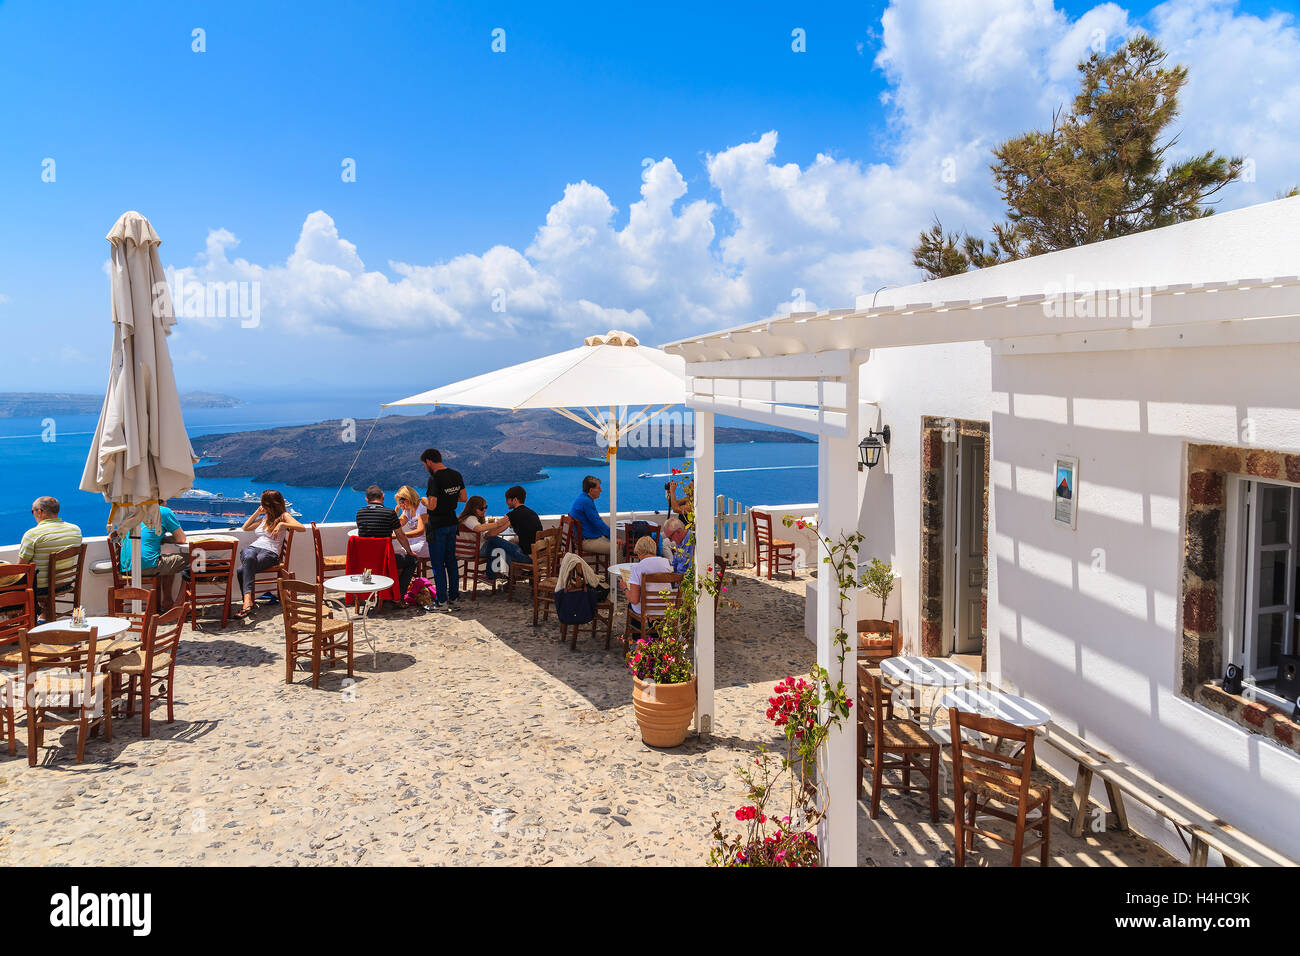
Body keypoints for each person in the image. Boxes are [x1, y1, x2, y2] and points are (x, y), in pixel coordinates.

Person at [232, 490, 304, 619]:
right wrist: (257, 512)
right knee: (248, 556)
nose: (261, 505)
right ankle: (248, 601)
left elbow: (301, 528)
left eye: (263, 503)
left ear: (270, 504)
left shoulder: (283, 516)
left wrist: (281, 523)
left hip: (270, 553)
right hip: (253, 548)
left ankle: (247, 601)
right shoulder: (264, 517)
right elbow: (245, 527)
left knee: (241, 570)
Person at [117, 503, 189, 612]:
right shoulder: (164, 511)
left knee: (169, 562)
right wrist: (166, 539)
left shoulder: (134, 511)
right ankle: (179, 604)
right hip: (146, 566)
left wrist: (161, 539)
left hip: (126, 567)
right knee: (192, 558)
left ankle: (167, 601)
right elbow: (181, 539)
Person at [421, 448, 467, 610]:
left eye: (424, 464)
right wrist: (449, 498)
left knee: (438, 564)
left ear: (428, 461)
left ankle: (441, 601)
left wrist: (424, 500)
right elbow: (463, 497)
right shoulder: (456, 474)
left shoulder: (434, 479)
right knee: (451, 562)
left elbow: (432, 506)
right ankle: (454, 598)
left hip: (438, 525)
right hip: (452, 523)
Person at [15, 496, 82, 597]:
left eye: (32, 511)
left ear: (39, 512)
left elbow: (21, 567)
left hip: (41, 588)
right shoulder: (75, 530)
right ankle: (45, 612)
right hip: (66, 583)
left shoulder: (32, 535)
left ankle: (22, 612)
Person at [355, 486, 416, 596]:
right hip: (385, 560)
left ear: (366, 499)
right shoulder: (389, 513)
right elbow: (400, 536)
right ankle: (398, 596)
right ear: (383, 497)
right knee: (412, 560)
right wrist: (410, 552)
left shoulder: (360, 513)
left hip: (366, 561)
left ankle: (373, 592)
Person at [477, 486, 542, 579]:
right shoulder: (531, 512)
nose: (506, 502)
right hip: (538, 555)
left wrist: (486, 535)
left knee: (492, 540)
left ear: (514, 500)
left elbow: (494, 532)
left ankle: (490, 575)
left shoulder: (514, 514)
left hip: (527, 557)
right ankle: (511, 578)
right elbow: (508, 525)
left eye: (507, 499)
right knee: (504, 550)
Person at [625, 535, 673, 616]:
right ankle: (654, 627)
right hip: (666, 607)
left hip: (646, 609)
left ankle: (638, 628)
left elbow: (634, 599)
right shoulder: (666, 563)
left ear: (639, 551)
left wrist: (625, 589)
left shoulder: (637, 568)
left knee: (631, 605)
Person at [569, 475, 612, 554]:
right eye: (598, 488)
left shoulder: (582, 498)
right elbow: (598, 523)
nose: (601, 490)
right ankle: (619, 566)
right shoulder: (586, 502)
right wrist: (613, 536)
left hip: (583, 538)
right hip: (587, 541)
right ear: (591, 490)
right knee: (619, 548)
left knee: (616, 541)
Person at [395, 486, 429, 560]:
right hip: (414, 542)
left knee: (399, 553)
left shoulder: (422, 507)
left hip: (425, 544)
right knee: (395, 552)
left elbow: (420, 531)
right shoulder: (408, 510)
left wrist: (400, 535)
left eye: (402, 501)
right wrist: (396, 511)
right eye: (399, 502)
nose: (401, 504)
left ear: (409, 498)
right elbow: (396, 524)